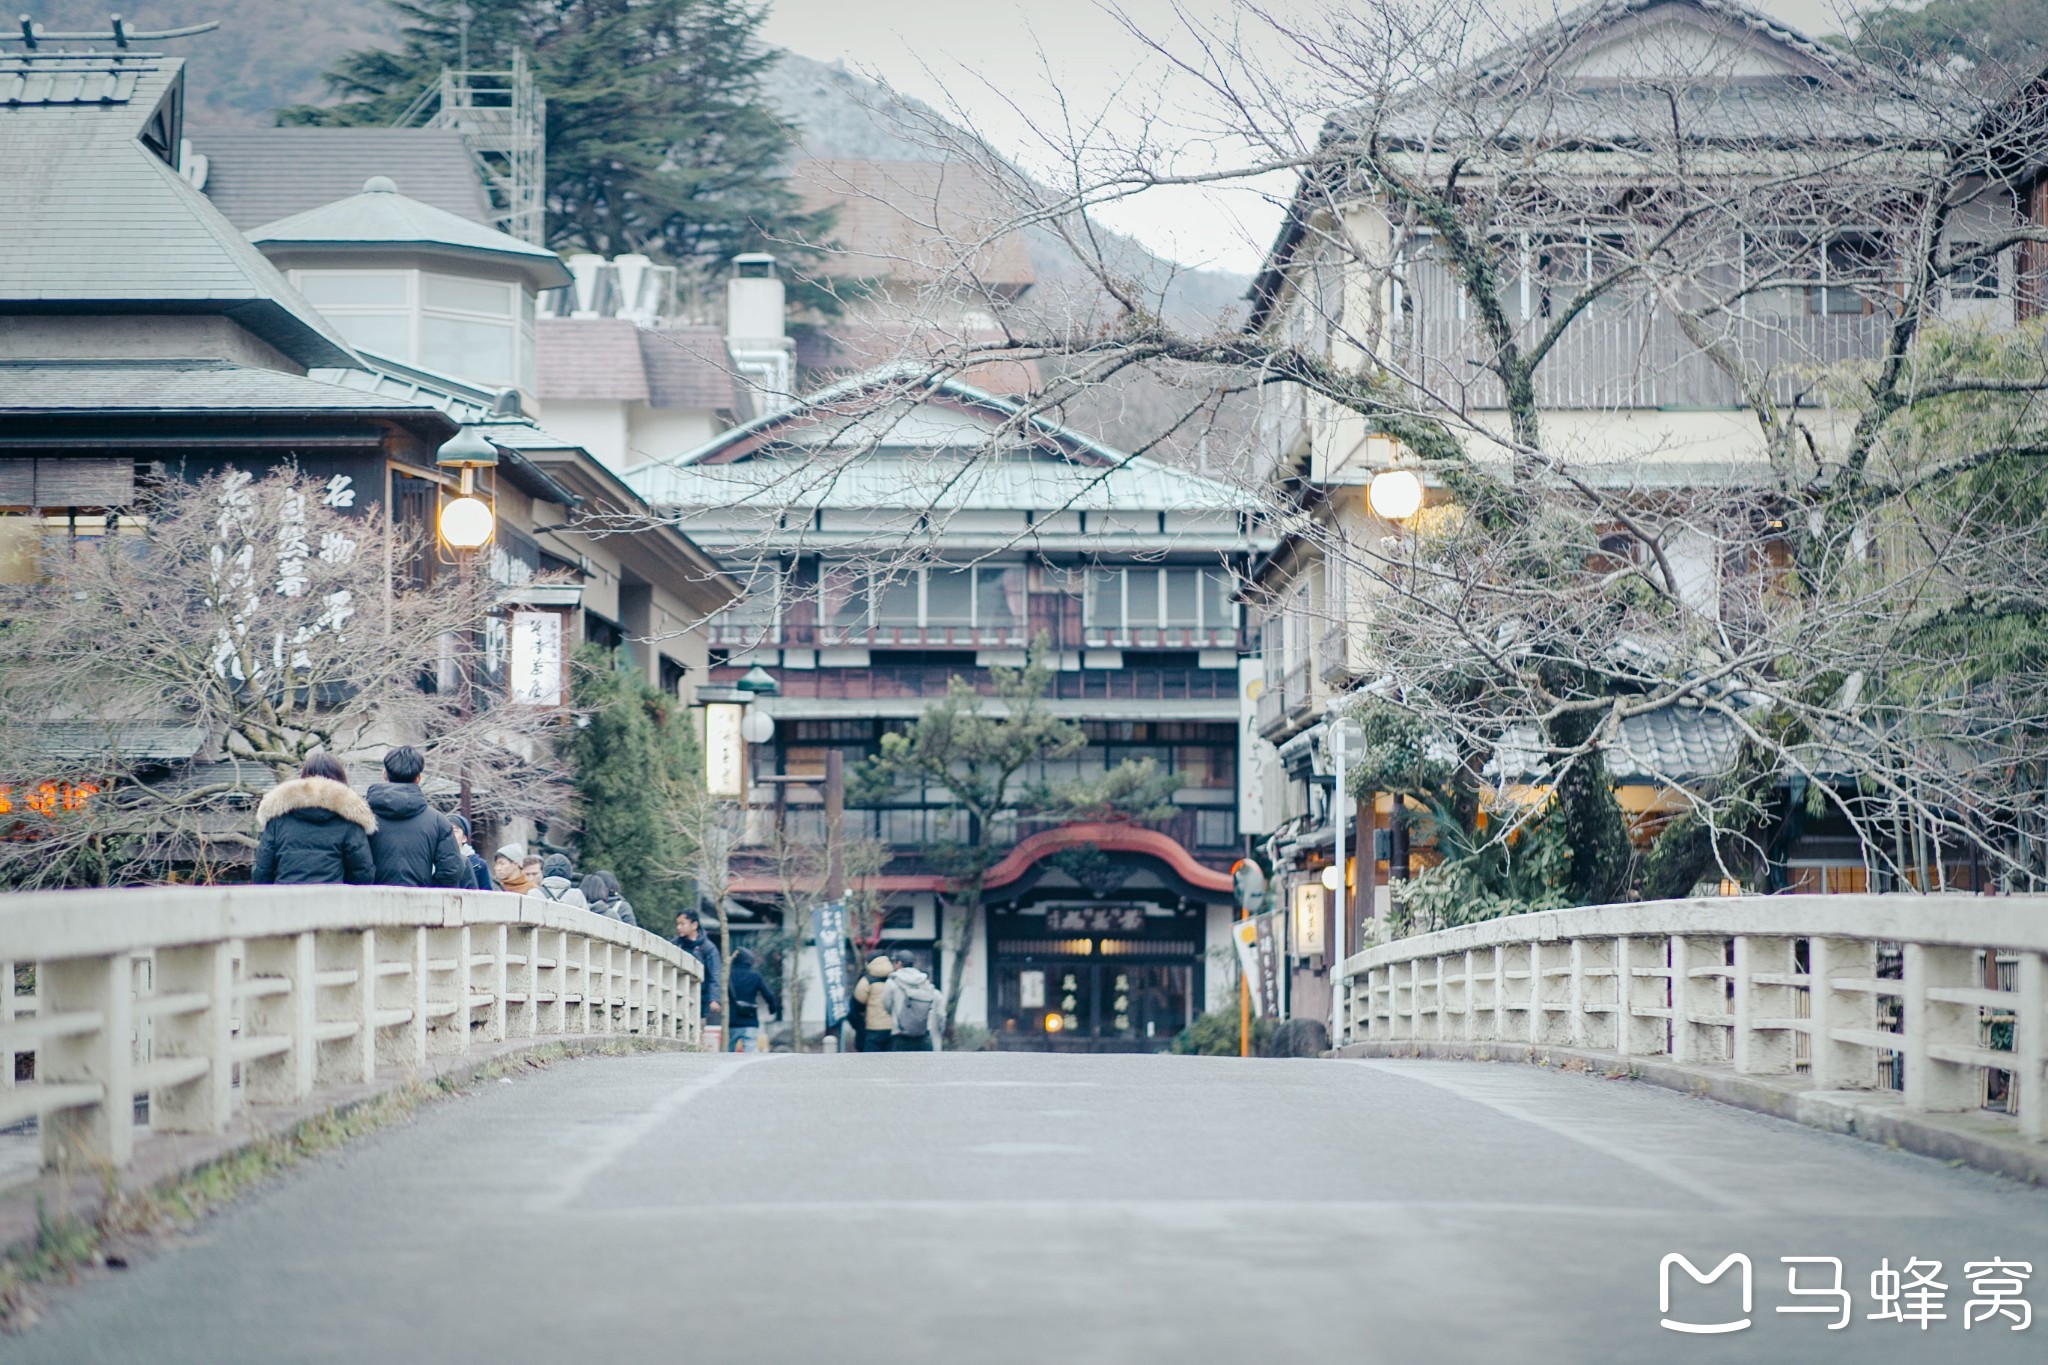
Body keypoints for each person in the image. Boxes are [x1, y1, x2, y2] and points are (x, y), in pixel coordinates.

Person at [251, 753, 376, 885]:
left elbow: (262, 871)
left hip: (286, 901)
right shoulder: (350, 820)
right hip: (333, 900)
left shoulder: (277, 819)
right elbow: (362, 873)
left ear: (304, 778)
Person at [365, 746, 463, 888]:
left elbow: (355, 865)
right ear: (418, 778)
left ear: (384, 775)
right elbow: (451, 871)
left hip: (371, 903)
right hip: (421, 904)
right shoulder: (437, 821)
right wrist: (428, 891)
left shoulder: (362, 817)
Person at [673, 906, 721, 1029]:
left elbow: (714, 974)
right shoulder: (676, 944)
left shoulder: (708, 948)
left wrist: (714, 999)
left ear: (694, 925)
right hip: (677, 994)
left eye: (683, 924)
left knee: (697, 1029)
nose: (679, 927)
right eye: (678, 924)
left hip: (700, 997)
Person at [725, 948, 780, 1052]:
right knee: (750, 1050)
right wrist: (772, 1009)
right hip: (750, 1020)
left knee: (729, 1051)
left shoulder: (728, 975)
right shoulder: (755, 976)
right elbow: (768, 994)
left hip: (731, 1020)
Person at [882, 953, 940, 1051]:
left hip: (900, 1034)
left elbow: (886, 1004)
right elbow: (933, 1000)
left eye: (894, 963)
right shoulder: (924, 981)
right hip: (923, 1033)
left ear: (899, 963)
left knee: (900, 1066)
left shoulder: (892, 982)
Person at [850, 954, 896, 1053]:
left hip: (873, 1027)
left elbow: (858, 1002)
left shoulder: (867, 980)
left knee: (871, 1061)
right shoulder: (895, 978)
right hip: (893, 1027)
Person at [448, 813, 491, 891]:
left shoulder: (478, 864)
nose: (450, 834)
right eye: (446, 830)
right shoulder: (433, 862)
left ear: (464, 838)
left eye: (454, 831)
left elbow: (488, 895)